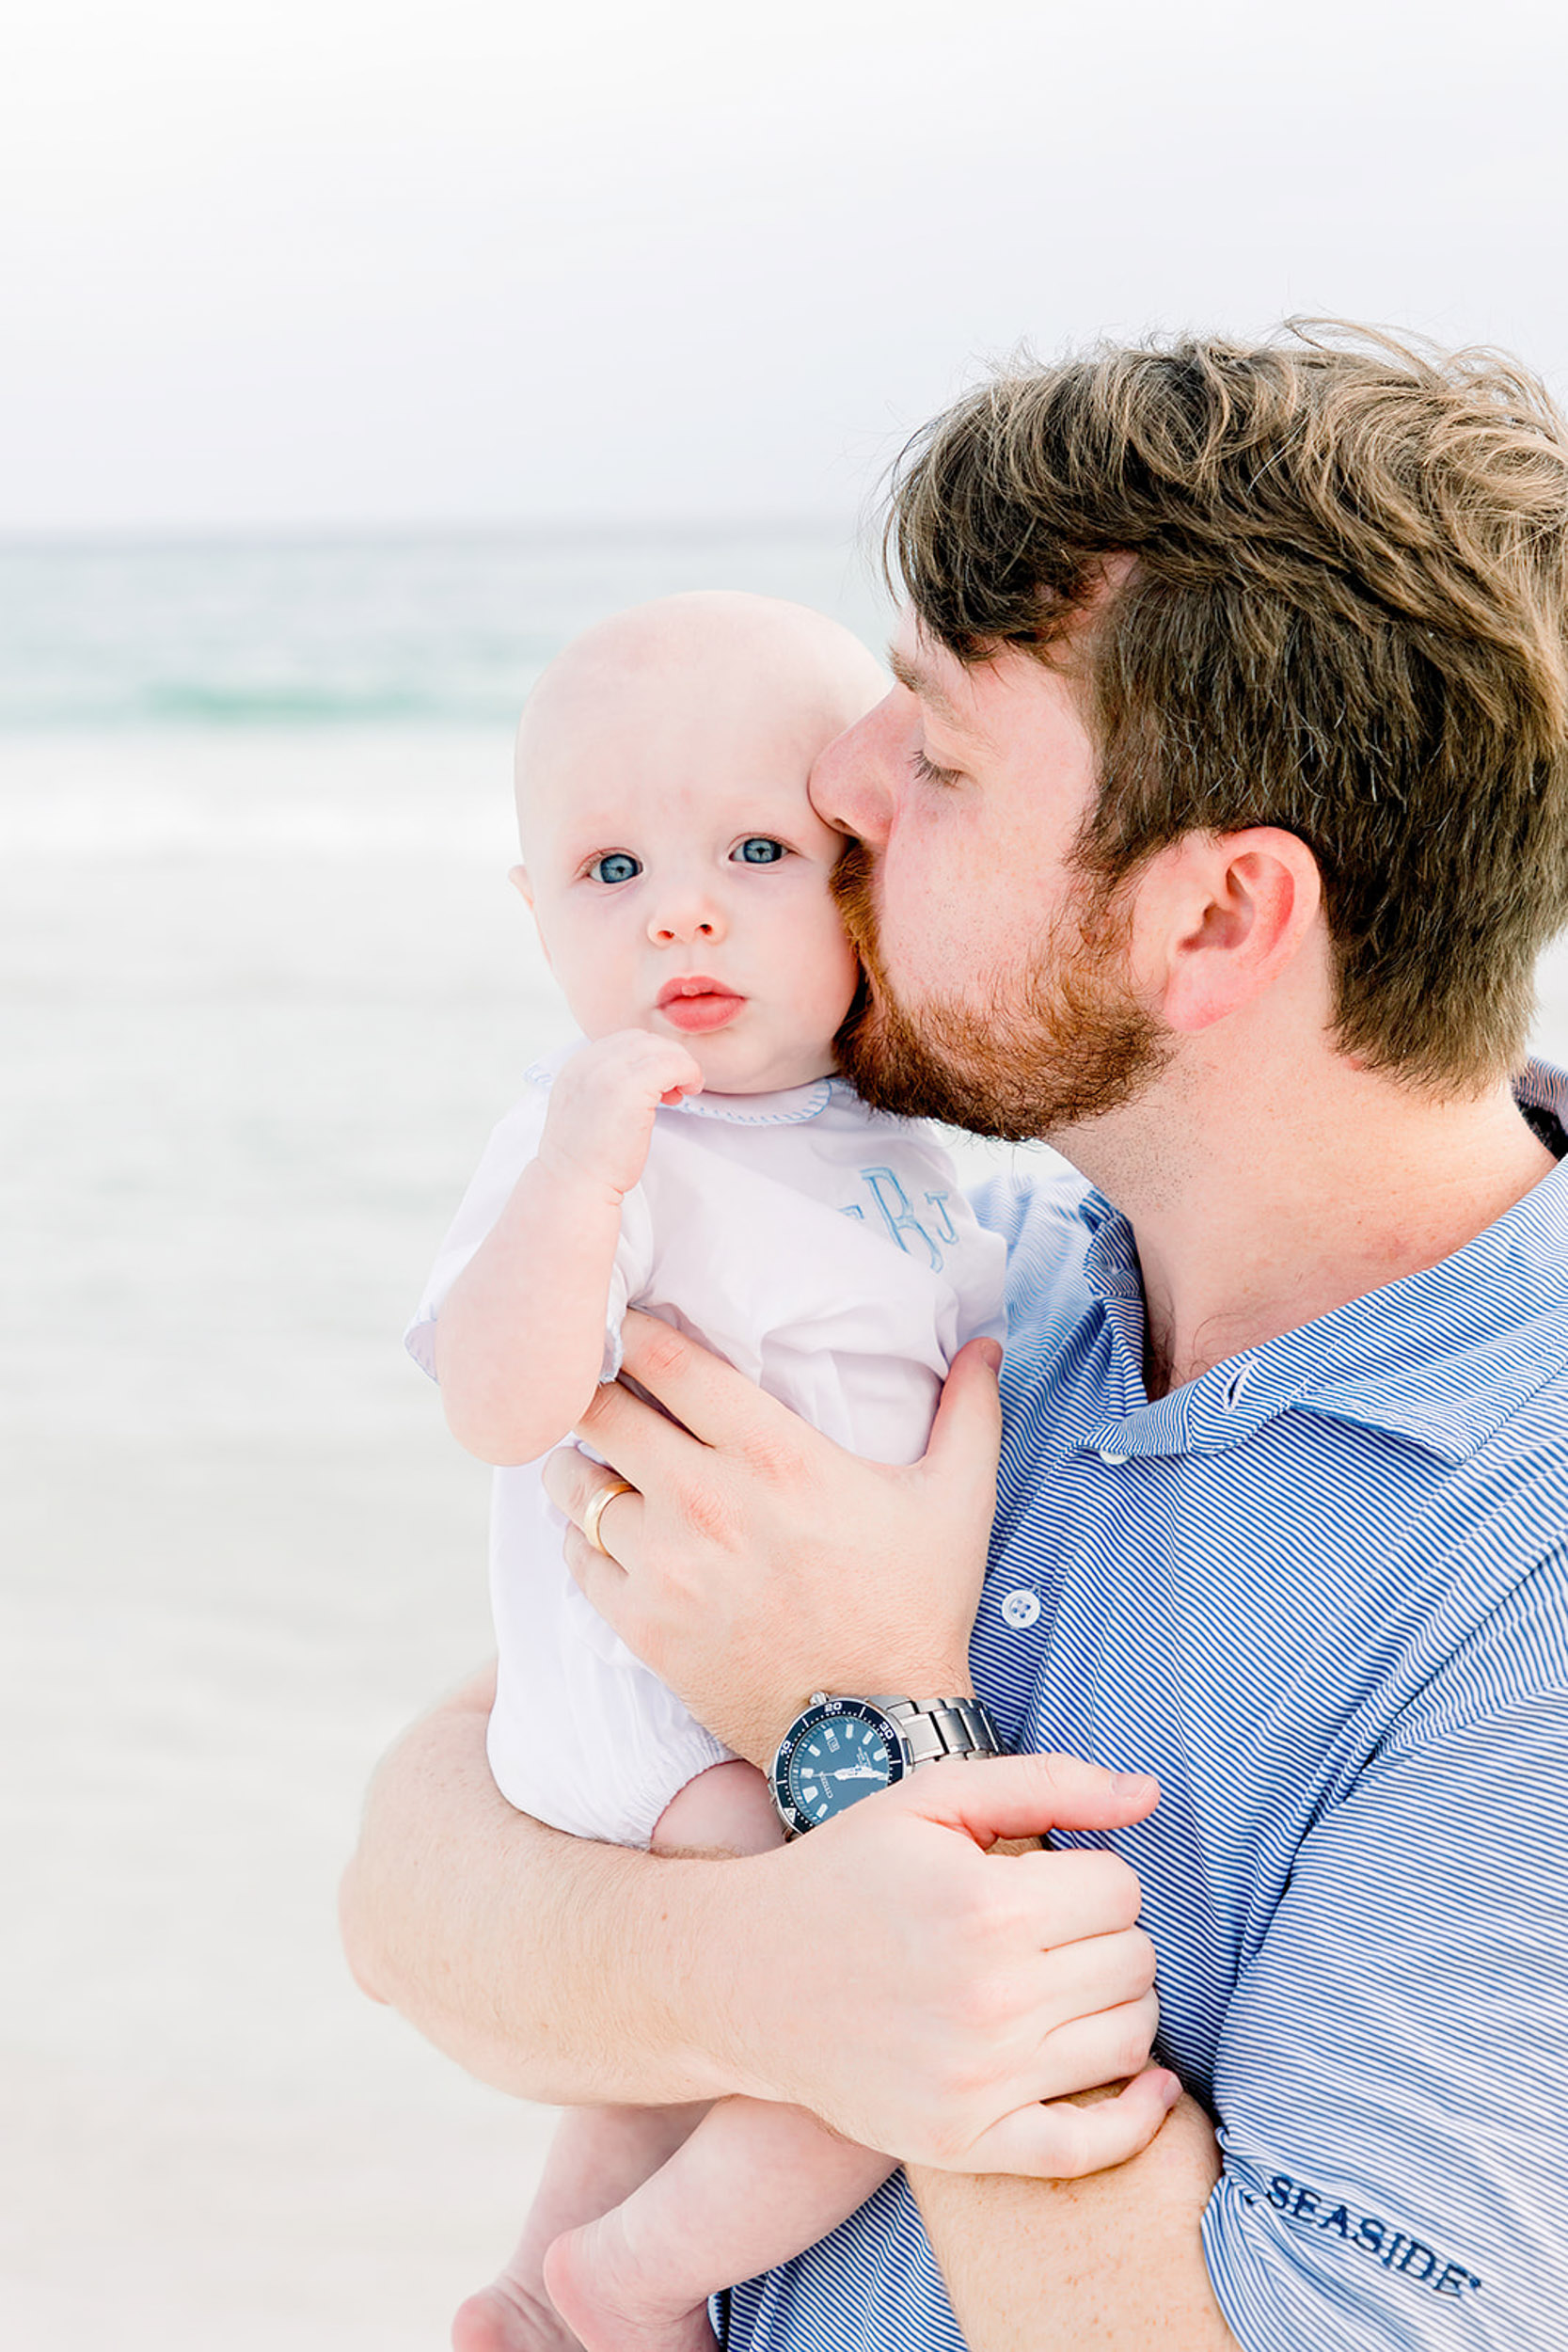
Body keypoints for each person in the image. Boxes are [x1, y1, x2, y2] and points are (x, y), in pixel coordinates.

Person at [341, 325, 1568, 2351]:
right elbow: (412, 1879)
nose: (836, 785)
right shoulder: (1009, 1263)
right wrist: (760, 1965)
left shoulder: (1517, 1558)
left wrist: (869, 1715)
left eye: (938, 754)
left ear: (1215, 922)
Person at [406, 591, 1023, 2352]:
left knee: (671, 2060)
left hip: (783, 1685)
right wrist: (581, 1179)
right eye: (608, 871)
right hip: (655, 1707)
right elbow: (505, 1408)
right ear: (537, 919)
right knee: (867, 2025)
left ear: (860, 883)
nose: (679, 907)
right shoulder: (596, 1136)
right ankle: (639, 2279)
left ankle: (536, 2287)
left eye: (755, 849)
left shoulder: (888, 1133)